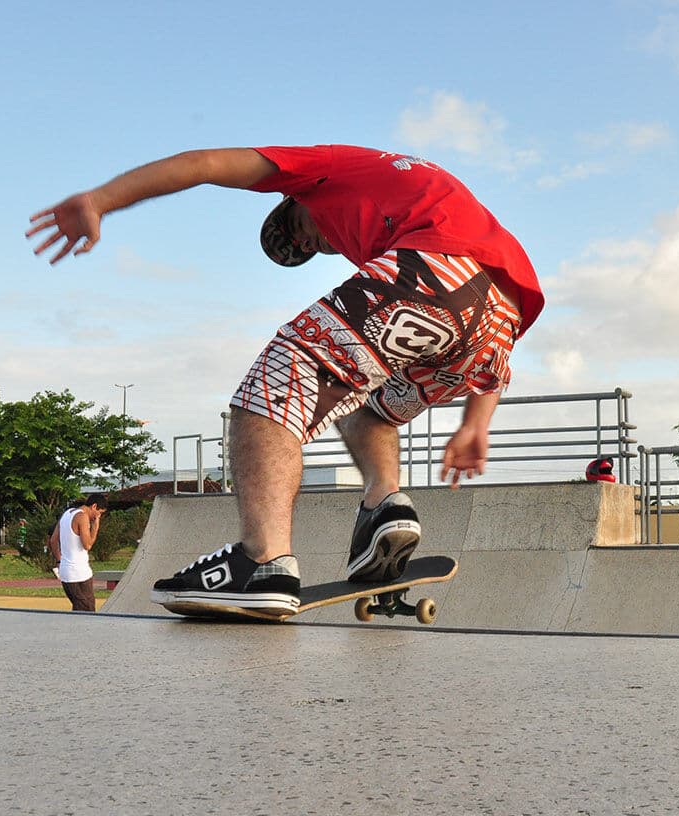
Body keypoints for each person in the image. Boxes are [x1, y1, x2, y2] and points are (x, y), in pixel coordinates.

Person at [28, 145, 544, 615]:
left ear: (294, 196)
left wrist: (101, 198)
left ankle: (263, 564)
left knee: (270, 392)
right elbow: (479, 311)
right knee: (368, 408)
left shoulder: (325, 167)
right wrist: (477, 424)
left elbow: (202, 166)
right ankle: (384, 507)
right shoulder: (411, 194)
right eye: (308, 249)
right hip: (496, 324)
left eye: (298, 228)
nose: (309, 240)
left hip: (435, 270)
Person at [48, 493, 107, 612]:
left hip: (65, 572)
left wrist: (59, 560)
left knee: (79, 609)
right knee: (87, 612)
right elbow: (88, 545)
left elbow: (53, 540)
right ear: (94, 506)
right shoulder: (82, 517)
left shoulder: (66, 514)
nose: (98, 516)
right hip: (79, 574)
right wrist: (95, 527)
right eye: (100, 512)